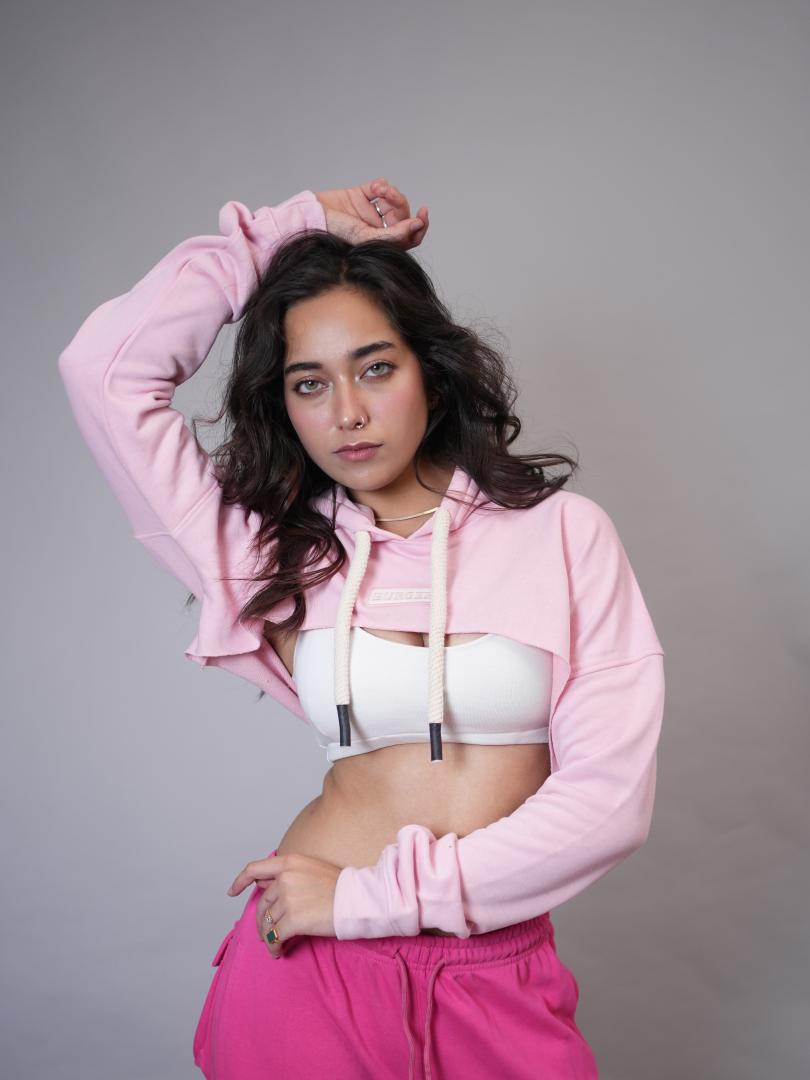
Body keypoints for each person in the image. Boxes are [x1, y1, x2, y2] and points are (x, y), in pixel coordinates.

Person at [60, 178, 664, 1080]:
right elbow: (103, 371)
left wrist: (369, 900)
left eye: (376, 368)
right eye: (310, 383)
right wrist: (289, 229)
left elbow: (609, 803)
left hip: (482, 967)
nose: (347, 411)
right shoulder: (267, 548)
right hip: (309, 967)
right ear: (284, 404)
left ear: (430, 371)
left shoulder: (563, 536)